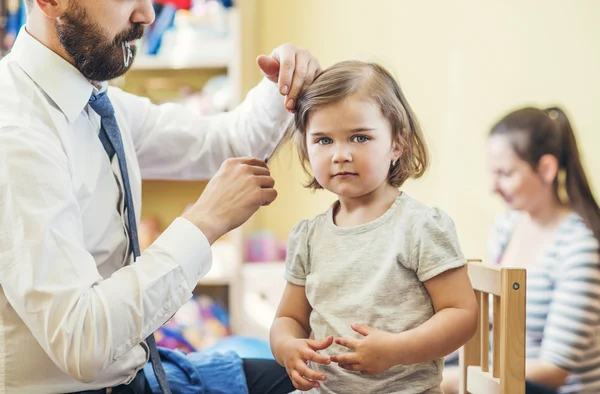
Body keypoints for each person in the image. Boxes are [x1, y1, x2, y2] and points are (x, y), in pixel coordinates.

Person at [0, 0, 323, 393]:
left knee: (320, 381)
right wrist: (204, 222)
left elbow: (224, 141)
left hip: (139, 372)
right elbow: (82, 341)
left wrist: (283, 82)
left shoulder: (97, 102)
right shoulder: (16, 134)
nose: (147, 15)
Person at [268, 60, 479, 394]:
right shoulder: (307, 236)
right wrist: (286, 347)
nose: (340, 154)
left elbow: (462, 315)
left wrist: (397, 350)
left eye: (359, 137)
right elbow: (288, 319)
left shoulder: (421, 226)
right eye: (323, 140)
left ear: (397, 143)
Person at [441, 107, 600, 394]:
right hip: (500, 382)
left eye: (505, 173)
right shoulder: (505, 226)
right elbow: (486, 327)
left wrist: (460, 379)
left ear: (547, 169)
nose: (493, 187)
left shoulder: (580, 247)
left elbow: (554, 370)